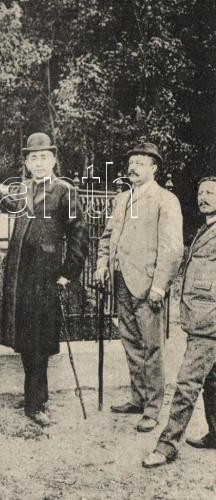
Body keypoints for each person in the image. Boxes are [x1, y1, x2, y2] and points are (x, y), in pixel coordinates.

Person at [0, 133, 88, 427]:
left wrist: (67, 273)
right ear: (26, 163)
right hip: (20, 278)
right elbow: (4, 205)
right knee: (27, 340)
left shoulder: (64, 191)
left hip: (45, 277)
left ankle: (36, 403)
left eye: (44, 157)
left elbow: (79, 235)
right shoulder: (23, 189)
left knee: (39, 341)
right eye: (33, 158)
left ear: (53, 160)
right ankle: (35, 395)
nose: (38, 163)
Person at [94, 141, 184, 433]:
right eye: (131, 162)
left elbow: (172, 248)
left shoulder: (165, 200)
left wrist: (159, 286)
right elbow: (107, 237)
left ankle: (153, 409)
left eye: (140, 163)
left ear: (154, 168)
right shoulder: (122, 199)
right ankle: (138, 397)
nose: (133, 167)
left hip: (147, 286)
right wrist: (102, 265)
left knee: (152, 347)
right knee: (131, 342)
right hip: (122, 281)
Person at [143, 177, 216, 467]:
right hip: (201, 316)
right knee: (212, 381)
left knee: (187, 384)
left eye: (211, 193)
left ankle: (167, 446)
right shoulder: (205, 228)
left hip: (209, 321)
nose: (203, 197)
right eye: (201, 192)